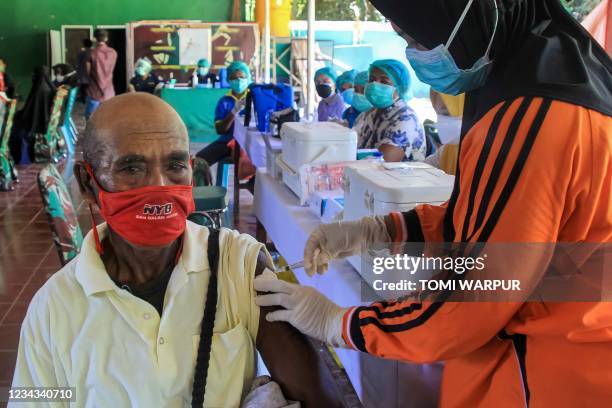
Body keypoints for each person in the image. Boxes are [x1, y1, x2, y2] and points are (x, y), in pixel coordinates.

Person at [254, 0, 612, 406]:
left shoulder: (537, 112)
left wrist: (340, 323)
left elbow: (478, 296)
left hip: (551, 371)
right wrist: (380, 230)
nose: (413, 49)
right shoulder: (542, 72)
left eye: (415, 35)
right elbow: (492, 212)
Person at [10, 93, 344, 407]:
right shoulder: (53, 310)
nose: (159, 186)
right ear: (88, 184)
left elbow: (319, 398)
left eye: (174, 165)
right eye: (131, 168)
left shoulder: (237, 265)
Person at [353, 59, 426, 162]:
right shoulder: (369, 114)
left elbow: (382, 161)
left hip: (397, 177)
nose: (374, 85)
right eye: (371, 79)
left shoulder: (406, 118)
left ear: (400, 88)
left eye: (384, 81)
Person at [195, 61, 251, 166]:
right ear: (229, 80)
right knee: (199, 161)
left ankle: (247, 182)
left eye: (242, 77)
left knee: (251, 164)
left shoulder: (254, 97)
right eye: (234, 78)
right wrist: (233, 112)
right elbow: (220, 130)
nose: (239, 80)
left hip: (249, 143)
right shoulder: (224, 101)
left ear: (247, 78)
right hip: (227, 142)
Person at [9, 66, 55, 163]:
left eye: (34, 74)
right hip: (43, 122)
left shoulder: (39, 90)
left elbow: (30, 113)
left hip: (35, 125)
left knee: (12, 127)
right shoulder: (49, 88)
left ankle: (16, 157)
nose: (32, 76)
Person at [85, 29, 117, 120]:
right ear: (106, 38)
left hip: (94, 91)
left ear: (94, 39)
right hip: (109, 92)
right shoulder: (113, 53)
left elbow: (88, 72)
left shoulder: (91, 53)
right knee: (108, 119)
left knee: (91, 119)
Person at [76, 38, 93, 103]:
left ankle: (84, 100)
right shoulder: (94, 52)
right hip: (93, 75)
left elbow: (77, 64)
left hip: (83, 74)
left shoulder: (80, 53)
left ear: (84, 45)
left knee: (83, 88)